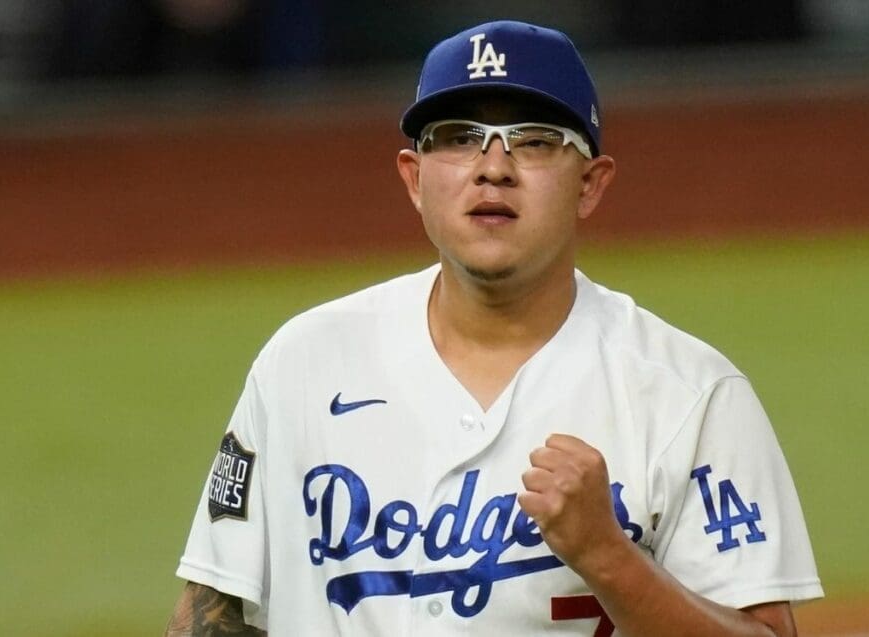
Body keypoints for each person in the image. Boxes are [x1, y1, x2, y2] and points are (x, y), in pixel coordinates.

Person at [166, 19, 823, 636]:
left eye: (534, 140)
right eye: (458, 137)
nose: (493, 166)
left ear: (590, 184)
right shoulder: (302, 365)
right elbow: (213, 613)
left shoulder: (690, 395)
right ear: (414, 178)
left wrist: (608, 555)